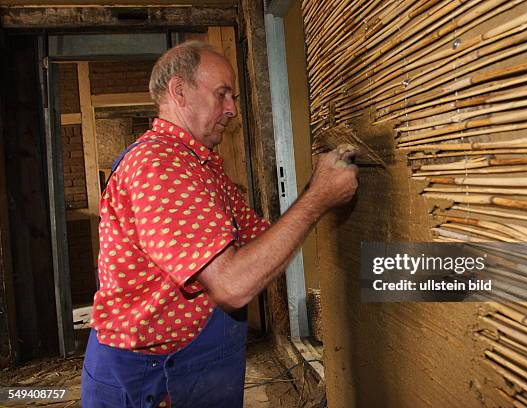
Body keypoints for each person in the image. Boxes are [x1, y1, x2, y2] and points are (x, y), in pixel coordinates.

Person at [81, 41, 358, 407]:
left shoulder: (202, 166)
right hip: (148, 375)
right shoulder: (158, 165)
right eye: (222, 94)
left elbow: (262, 241)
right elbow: (231, 285)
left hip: (192, 358)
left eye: (234, 96)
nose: (232, 109)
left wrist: (316, 188)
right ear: (179, 91)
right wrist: (317, 199)